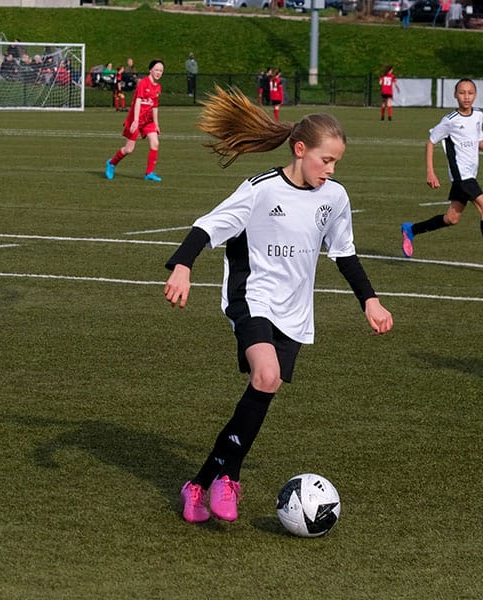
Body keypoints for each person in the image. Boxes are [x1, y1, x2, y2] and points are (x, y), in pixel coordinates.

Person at [164, 86, 394, 524]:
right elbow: (208, 226)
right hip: (252, 297)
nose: (330, 170)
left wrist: (370, 302)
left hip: (295, 311)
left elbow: (344, 253)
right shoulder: (260, 190)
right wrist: (182, 265)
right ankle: (229, 478)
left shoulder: (334, 197)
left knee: (265, 387)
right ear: (300, 148)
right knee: (266, 374)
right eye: (325, 160)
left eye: (336, 163)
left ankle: (199, 483)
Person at [400, 78, 483, 274]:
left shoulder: (479, 115)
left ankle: (411, 229)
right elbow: (431, 142)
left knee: (451, 218)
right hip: (462, 177)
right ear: (455, 95)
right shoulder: (450, 121)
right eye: (462, 93)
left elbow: (478, 142)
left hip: (470, 175)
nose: (466, 97)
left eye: (470, 93)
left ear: (475, 95)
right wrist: (430, 172)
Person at [104, 59, 164, 182]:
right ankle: (111, 163)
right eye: (156, 69)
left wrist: (156, 124)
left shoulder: (158, 87)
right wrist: (135, 120)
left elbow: (155, 106)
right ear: (150, 70)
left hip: (148, 121)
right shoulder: (143, 83)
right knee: (129, 149)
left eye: (161, 71)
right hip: (136, 119)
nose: (158, 72)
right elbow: (137, 102)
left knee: (155, 143)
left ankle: (149, 173)